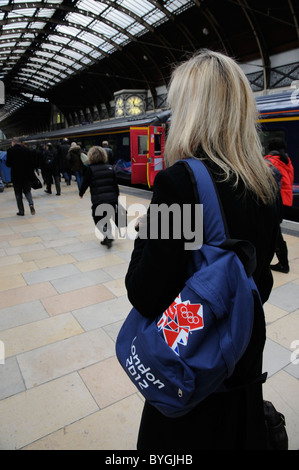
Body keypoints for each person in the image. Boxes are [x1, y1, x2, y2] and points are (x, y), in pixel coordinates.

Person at [125, 50, 280, 450]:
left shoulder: (180, 183)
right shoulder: (264, 182)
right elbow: (258, 282)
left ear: (192, 111)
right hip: (241, 364)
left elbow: (145, 292)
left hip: (192, 373)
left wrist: (147, 231)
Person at [79, 146, 119, 248]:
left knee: (98, 218)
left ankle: (108, 235)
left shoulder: (90, 169)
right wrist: (116, 197)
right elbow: (115, 185)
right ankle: (107, 238)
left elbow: (85, 183)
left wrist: (81, 193)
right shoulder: (110, 167)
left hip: (98, 200)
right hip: (111, 199)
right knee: (106, 218)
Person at [264, 138, 294, 273]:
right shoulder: (287, 161)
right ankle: (283, 262)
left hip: (275, 201)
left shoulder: (270, 162)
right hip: (286, 200)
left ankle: (283, 264)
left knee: (275, 234)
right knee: (276, 232)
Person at [6, 137, 36, 215]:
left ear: (13, 143)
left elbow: (8, 164)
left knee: (18, 193)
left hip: (16, 176)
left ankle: (21, 211)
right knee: (27, 191)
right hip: (27, 175)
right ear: (19, 142)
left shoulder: (10, 151)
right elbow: (32, 163)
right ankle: (31, 204)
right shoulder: (26, 150)